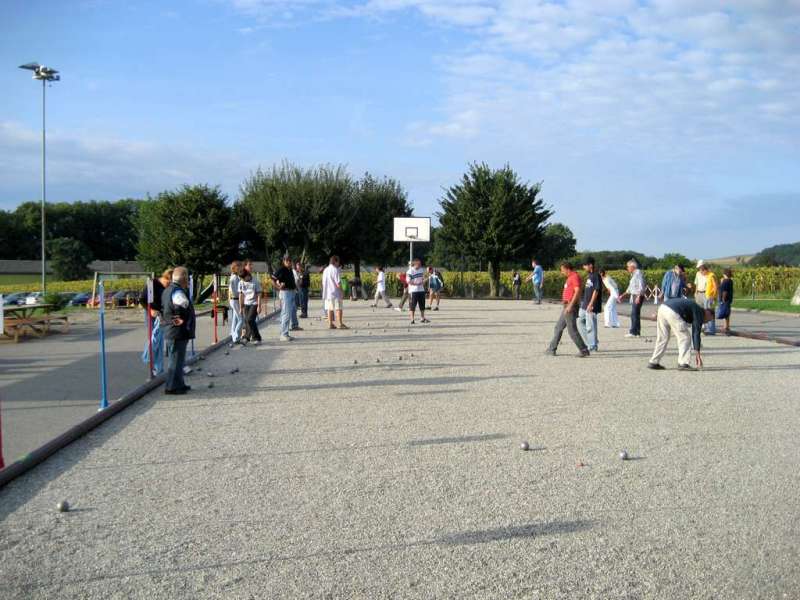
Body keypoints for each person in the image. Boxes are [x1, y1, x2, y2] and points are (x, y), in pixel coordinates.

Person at [647, 298, 714, 370]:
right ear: (708, 313)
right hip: (673, 311)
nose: (706, 322)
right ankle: (683, 363)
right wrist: (698, 356)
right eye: (709, 319)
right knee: (685, 338)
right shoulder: (700, 312)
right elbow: (696, 333)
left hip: (663, 308)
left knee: (663, 338)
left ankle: (653, 362)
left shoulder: (695, 308)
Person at [162, 267, 196, 395]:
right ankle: (172, 387)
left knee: (178, 359)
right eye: (187, 278)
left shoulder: (168, 290)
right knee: (175, 360)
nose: (188, 281)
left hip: (173, 329)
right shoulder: (177, 292)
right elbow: (184, 304)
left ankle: (179, 384)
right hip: (177, 330)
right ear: (184, 278)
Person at [546, 262, 590, 357]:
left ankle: (584, 350)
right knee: (558, 327)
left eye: (562, 270)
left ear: (567, 269)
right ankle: (551, 349)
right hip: (567, 306)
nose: (562, 272)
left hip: (570, 306)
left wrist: (571, 305)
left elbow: (578, 291)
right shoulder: (570, 277)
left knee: (572, 330)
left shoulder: (574, 277)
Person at [140, 268, 172, 375]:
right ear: (165, 278)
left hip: (161, 315)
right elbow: (142, 299)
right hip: (151, 313)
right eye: (169, 282)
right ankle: (149, 358)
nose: (168, 285)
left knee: (159, 341)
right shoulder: (152, 283)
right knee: (154, 338)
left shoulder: (166, 287)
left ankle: (158, 368)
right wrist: (151, 310)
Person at [273, 254, 301, 341]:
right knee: (286, 313)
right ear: (284, 261)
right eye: (287, 260)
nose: (289, 262)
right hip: (286, 293)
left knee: (287, 313)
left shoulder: (289, 270)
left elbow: (291, 281)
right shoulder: (282, 269)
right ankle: (283, 334)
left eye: (290, 260)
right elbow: (273, 279)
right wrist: (278, 287)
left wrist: (295, 288)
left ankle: (285, 333)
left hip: (291, 292)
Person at [577, 257, 601, 351]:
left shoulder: (596, 275)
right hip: (584, 303)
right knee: (579, 321)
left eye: (585, 265)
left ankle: (592, 345)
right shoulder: (589, 275)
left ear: (590, 265)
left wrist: (591, 303)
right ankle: (591, 341)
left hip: (591, 304)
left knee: (590, 325)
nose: (584, 267)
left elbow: (596, 290)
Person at [618, 259, 646, 338]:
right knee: (636, 314)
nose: (627, 268)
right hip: (635, 295)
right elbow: (630, 288)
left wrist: (638, 296)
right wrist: (622, 295)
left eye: (628, 266)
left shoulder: (638, 273)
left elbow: (641, 285)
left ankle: (633, 332)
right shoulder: (633, 274)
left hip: (638, 295)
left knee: (634, 313)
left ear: (632, 266)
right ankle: (637, 332)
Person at [322, 255, 347, 329]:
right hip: (335, 293)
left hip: (328, 293)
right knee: (338, 308)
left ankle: (330, 324)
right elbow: (338, 282)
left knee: (330, 309)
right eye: (338, 261)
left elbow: (323, 282)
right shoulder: (335, 270)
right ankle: (340, 324)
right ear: (335, 261)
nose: (338, 263)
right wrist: (342, 291)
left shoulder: (325, 270)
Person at [239, 270, 262, 345]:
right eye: (242, 279)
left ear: (248, 275)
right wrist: (241, 307)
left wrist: (259, 306)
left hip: (254, 303)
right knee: (247, 321)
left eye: (244, 278)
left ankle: (248, 338)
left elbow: (259, 294)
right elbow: (241, 295)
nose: (244, 280)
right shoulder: (241, 282)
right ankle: (256, 338)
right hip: (246, 303)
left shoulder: (255, 281)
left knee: (250, 319)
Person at [407, 258, 429, 324]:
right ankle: (412, 319)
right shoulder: (410, 271)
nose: (420, 265)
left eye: (420, 264)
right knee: (412, 305)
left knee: (422, 305)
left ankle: (422, 318)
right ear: (415, 264)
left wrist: (425, 280)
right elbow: (408, 281)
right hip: (413, 291)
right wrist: (416, 284)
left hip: (421, 290)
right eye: (419, 264)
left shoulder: (421, 270)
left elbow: (422, 279)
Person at [228, 261, 244, 346]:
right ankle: (236, 337)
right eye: (239, 267)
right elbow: (235, 291)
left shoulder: (235, 277)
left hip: (234, 300)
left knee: (235, 319)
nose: (241, 268)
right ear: (235, 268)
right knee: (241, 319)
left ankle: (233, 334)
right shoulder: (234, 278)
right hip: (235, 300)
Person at [700, 263, 718, 335]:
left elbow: (716, 286)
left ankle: (711, 330)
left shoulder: (712, 275)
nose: (701, 273)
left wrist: (713, 296)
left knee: (710, 313)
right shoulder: (708, 276)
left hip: (710, 297)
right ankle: (708, 328)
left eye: (702, 271)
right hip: (707, 296)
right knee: (706, 313)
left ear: (705, 270)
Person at [717, 269, 734, 333]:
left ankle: (726, 326)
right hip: (729, 299)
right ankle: (726, 325)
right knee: (727, 312)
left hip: (725, 299)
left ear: (724, 274)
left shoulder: (725, 281)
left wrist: (723, 299)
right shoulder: (730, 281)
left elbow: (724, 291)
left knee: (725, 312)